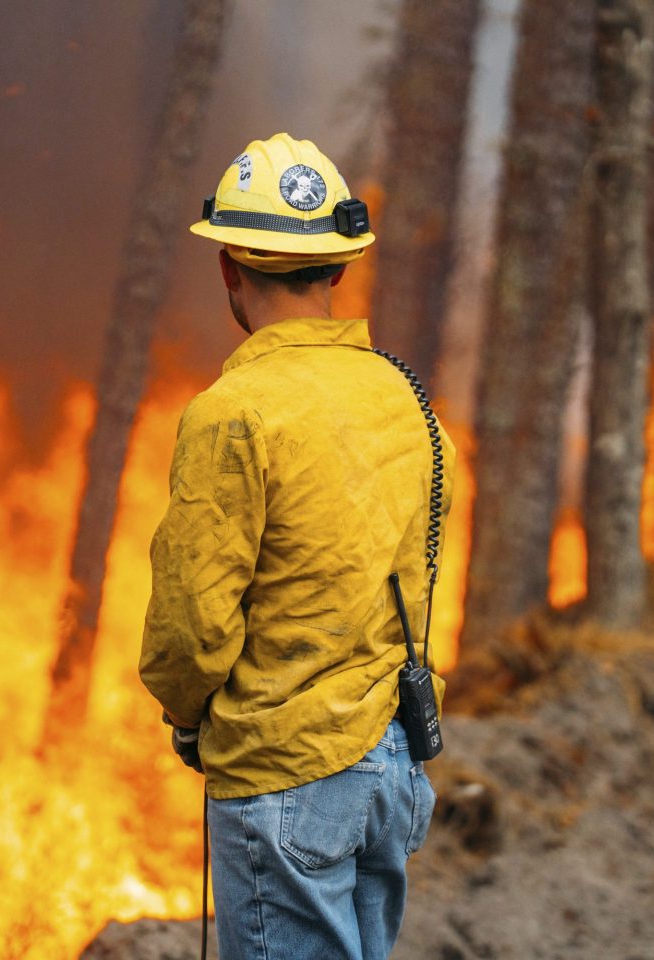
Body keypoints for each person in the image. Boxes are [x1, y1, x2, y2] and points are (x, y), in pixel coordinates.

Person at [138, 132, 456, 960]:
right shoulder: (407, 400)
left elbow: (192, 625)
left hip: (286, 779)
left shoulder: (233, 413)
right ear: (339, 268)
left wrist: (187, 715)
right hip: (392, 769)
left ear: (228, 268)